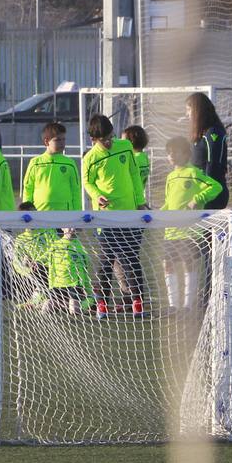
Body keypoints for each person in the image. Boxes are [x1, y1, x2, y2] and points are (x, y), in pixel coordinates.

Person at [81, 113, 146, 317]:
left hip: (129, 213)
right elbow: (88, 182)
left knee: (130, 259)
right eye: (103, 140)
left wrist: (140, 202)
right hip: (105, 216)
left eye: (110, 137)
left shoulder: (125, 147)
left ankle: (137, 302)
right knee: (106, 261)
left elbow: (134, 174)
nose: (109, 142)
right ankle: (102, 304)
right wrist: (97, 195)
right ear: (93, 140)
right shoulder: (90, 158)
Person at [161, 136, 223, 310]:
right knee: (167, 264)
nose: (172, 155)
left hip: (190, 231)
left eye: (175, 152)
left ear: (186, 154)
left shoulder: (194, 173)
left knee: (189, 262)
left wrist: (198, 198)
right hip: (171, 231)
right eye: (169, 153)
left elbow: (216, 187)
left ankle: (188, 304)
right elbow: (169, 202)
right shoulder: (171, 177)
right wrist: (158, 214)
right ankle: (173, 305)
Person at [21, 122, 81, 211]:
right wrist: (26, 211)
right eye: (57, 140)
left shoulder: (70, 163)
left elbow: (76, 190)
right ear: (46, 141)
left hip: (65, 213)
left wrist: (76, 213)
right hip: (40, 211)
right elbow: (28, 188)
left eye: (63, 139)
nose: (62, 143)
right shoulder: (35, 163)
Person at [187, 92, 229, 209]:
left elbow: (213, 165)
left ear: (197, 110)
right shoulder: (200, 133)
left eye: (189, 109)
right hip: (198, 193)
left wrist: (205, 195)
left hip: (210, 195)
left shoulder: (213, 132)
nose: (187, 114)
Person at [46, 228, 94, 314]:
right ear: (62, 228)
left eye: (75, 227)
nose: (73, 229)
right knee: (46, 309)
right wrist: (51, 286)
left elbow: (84, 272)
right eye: (69, 226)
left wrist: (88, 291)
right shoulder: (54, 246)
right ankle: (65, 305)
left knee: (74, 312)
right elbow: (51, 268)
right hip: (58, 284)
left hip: (74, 284)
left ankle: (91, 300)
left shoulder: (81, 249)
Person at [121, 125, 152, 204]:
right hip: (139, 197)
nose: (120, 143)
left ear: (130, 142)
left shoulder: (134, 159)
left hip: (130, 200)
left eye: (122, 140)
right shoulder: (144, 157)